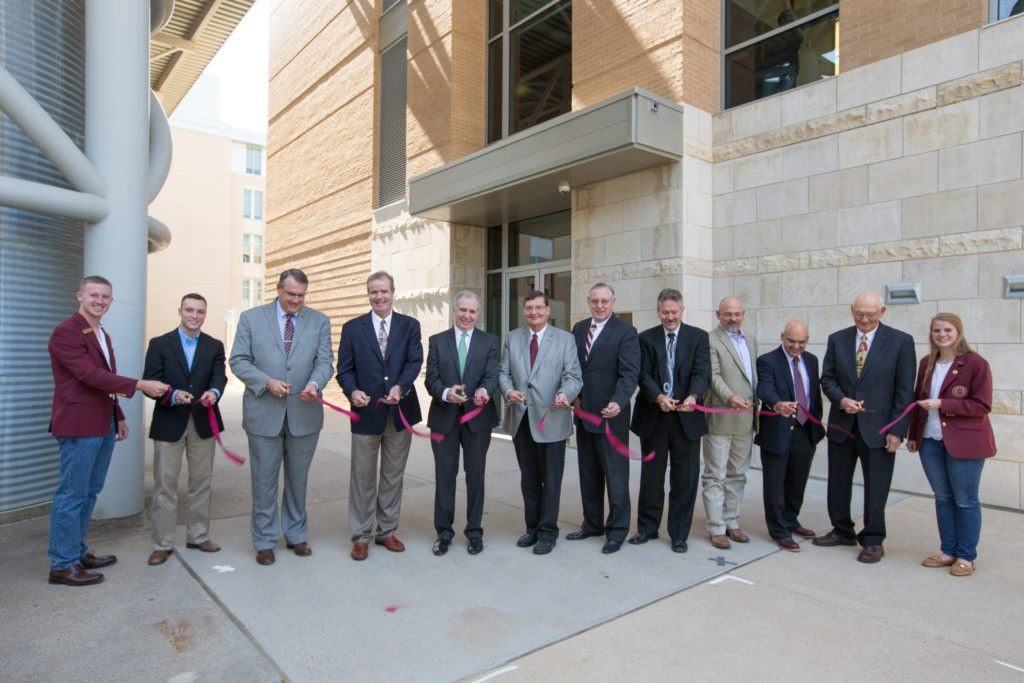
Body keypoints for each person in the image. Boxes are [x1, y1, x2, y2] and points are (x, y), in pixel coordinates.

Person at [47, 275, 169, 586]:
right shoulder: (66, 333)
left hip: (102, 423)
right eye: (94, 295)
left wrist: (119, 416)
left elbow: (104, 382)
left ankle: (77, 551)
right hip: (78, 426)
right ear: (80, 296)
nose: (100, 301)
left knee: (89, 492)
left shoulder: (101, 333)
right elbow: (89, 375)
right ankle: (62, 564)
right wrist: (139, 385)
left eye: (105, 297)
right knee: (71, 495)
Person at [229, 269, 334, 566]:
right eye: (291, 295)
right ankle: (264, 539)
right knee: (264, 481)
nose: (296, 301)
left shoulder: (319, 321)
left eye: (301, 296)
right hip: (264, 414)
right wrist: (265, 382)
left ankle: (296, 534)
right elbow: (238, 360)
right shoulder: (252, 318)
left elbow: (325, 361)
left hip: (305, 413)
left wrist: (315, 384)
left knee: (298, 480)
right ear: (278, 290)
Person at [816, 291, 916, 563]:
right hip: (843, 425)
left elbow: (905, 391)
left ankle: (873, 539)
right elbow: (828, 378)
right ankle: (841, 530)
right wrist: (841, 399)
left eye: (871, 315)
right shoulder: (837, 339)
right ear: (852, 310)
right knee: (837, 482)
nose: (864, 319)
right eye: (860, 314)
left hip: (880, 429)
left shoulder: (900, 342)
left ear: (882, 312)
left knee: (876, 486)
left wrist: (897, 430)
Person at [337, 271, 423, 561]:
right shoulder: (352, 328)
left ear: (393, 292)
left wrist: (401, 385)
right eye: (374, 292)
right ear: (368, 294)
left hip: (400, 412)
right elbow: (344, 370)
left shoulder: (410, 325)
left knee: (392, 475)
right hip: (365, 413)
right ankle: (361, 535)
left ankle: (386, 530)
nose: (379, 297)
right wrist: (353, 391)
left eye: (384, 291)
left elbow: (414, 361)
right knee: (362, 477)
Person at [907, 313, 996, 577]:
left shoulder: (976, 364)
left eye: (947, 329)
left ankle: (966, 557)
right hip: (931, 441)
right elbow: (917, 400)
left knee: (966, 500)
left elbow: (982, 405)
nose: (942, 334)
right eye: (936, 330)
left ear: (958, 332)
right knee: (943, 497)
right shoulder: (926, 363)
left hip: (965, 443)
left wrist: (943, 403)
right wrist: (914, 435)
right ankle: (948, 551)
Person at [143, 293, 227, 566]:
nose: (194, 316)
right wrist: (171, 394)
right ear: (180, 311)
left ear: (205, 314)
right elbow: (151, 382)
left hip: (203, 421)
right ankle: (162, 543)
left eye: (200, 311)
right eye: (189, 310)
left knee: (201, 483)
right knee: (165, 486)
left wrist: (214, 392)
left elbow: (219, 376)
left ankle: (198, 536)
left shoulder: (214, 345)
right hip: (169, 421)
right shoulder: (160, 344)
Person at [499, 290, 582, 555]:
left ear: (548, 310)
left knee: (552, 480)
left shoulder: (565, 340)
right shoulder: (513, 338)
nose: (533, 312)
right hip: (521, 419)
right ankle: (532, 528)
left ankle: (548, 532)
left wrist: (565, 394)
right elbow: (503, 373)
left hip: (552, 420)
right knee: (529, 479)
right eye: (529, 308)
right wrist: (509, 392)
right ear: (524, 311)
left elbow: (573, 376)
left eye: (538, 308)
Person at [629, 288, 711, 553]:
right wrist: (657, 397)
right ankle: (647, 528)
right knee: (652, 478)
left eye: (674, 312)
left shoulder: (698, 337)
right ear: (658, 311)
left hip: (686, 418)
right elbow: (642, 374)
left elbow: (702, 372)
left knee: (685, 479)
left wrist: (693, 396)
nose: (669, 317)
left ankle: (678, 534)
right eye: (665, 312)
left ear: (682, 311)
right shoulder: (645, 338)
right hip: (655, 416)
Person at [565, 283, 640, 554]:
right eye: (595, 301)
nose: (599, 306)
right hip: (584, 414)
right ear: (588, 301)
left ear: (613, 301)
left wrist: (618, 402)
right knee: (589, 473)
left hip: (611, 416)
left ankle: (617, 530)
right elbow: (573, 368)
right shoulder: (579, 329)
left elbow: (629, 373)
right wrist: (572, 395)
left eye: (604, 301)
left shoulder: (626, 332)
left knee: (616, 476)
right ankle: (592, 523)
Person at [424, 291, 499, 556]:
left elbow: (492, 375)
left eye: (472, 311)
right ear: (454, 311)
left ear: (478, 314)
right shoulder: (437, 341)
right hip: (444, 419)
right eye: (462, 310)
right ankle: (443, 533)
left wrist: (484, 392)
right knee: (445, 478)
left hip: (478, 420)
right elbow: (430, 378)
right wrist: (446, 393)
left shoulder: (489, 341)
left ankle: (474, 532)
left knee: (475, 477)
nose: (467, 316)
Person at [755, 320, 825, 551]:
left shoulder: (812, 360)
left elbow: (814, 393)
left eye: (801, 342)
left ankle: (791, 520)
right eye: (791, 341)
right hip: (778, 431)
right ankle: (779, 530)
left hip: (805, 431)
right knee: (775, 484)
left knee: (797, 481)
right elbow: (764, 388)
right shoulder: (767, 361)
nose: (796, 346)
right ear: (781, 336)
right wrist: (776, 404)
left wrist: (817, 425)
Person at [702, 296, 757, 550]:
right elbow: (712, 376)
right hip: (721, 418)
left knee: (738, 475)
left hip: (746, 421)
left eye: (737, 313)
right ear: (718, 314)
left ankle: (732, 522)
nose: (733, 318)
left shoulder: (751, 340)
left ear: (743, 314)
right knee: (716, 476)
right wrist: (729, 397)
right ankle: (716, 528)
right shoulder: (711, 340)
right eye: (727, 314)